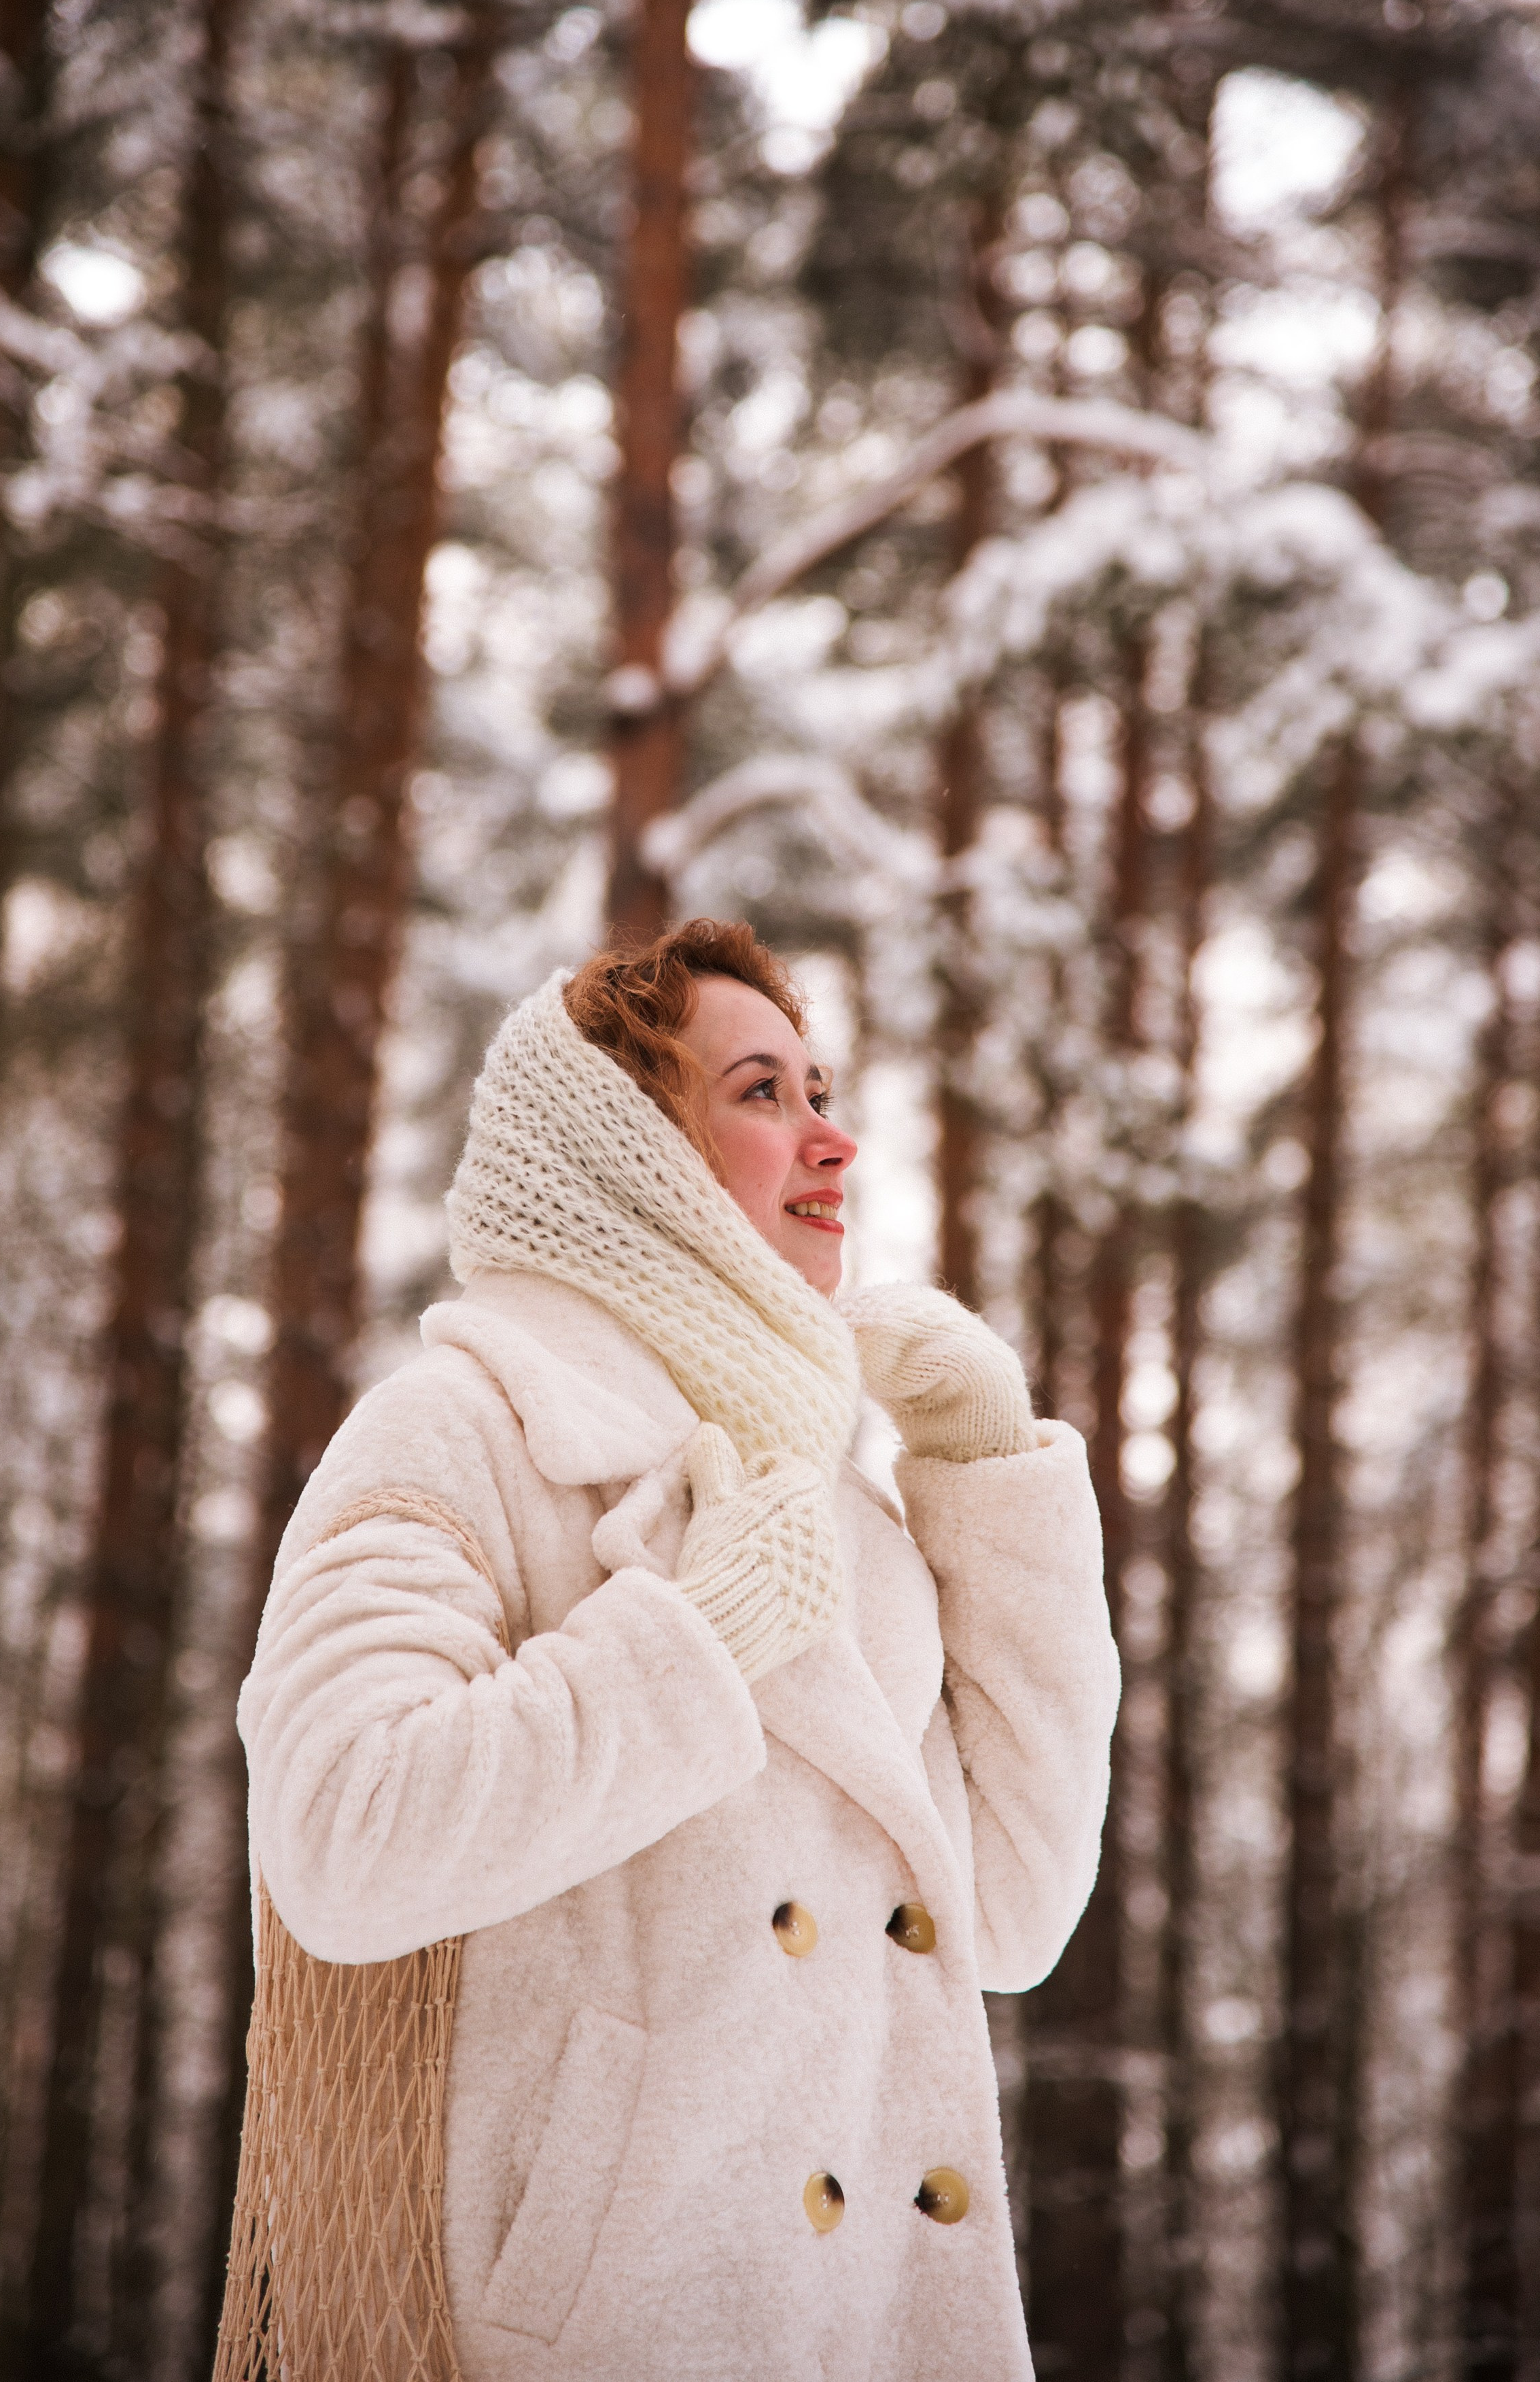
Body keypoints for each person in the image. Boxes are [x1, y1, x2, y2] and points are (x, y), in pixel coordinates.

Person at [231, 918, 1120, 2382]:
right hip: (615, 2313)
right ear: (624, 1150)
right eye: (762, 1092)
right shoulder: (461, 1427)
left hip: (866, 2317)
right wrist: (693, 1642)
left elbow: (1011, 1913)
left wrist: (986, 1469)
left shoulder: (838, 1497)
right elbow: (344, 1835)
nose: (830, 1139)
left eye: (821, 1091)